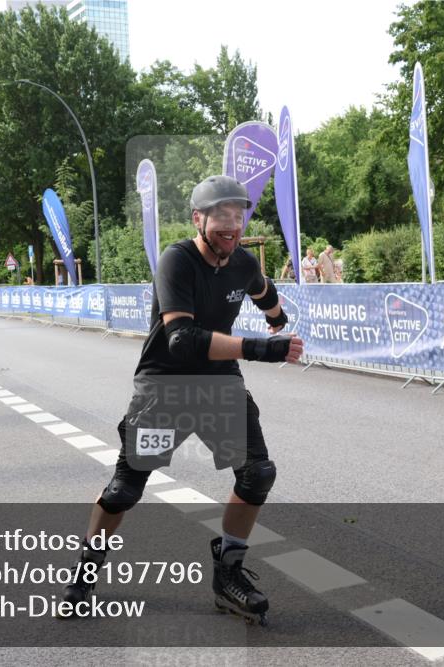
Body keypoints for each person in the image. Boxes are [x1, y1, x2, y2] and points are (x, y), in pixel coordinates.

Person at [61, 175, 303, 626]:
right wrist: (258, 347)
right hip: (166, 385)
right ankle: (85, 572)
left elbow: (261, 288)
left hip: (219, 385)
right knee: (123, 491)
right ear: (199, 218)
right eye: (221, 217)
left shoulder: (242, 261)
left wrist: (277, 317)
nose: (231, 226)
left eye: (238, 216)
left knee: (256, 474)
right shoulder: (177, 260)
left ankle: (228, 576)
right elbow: (183, 341)